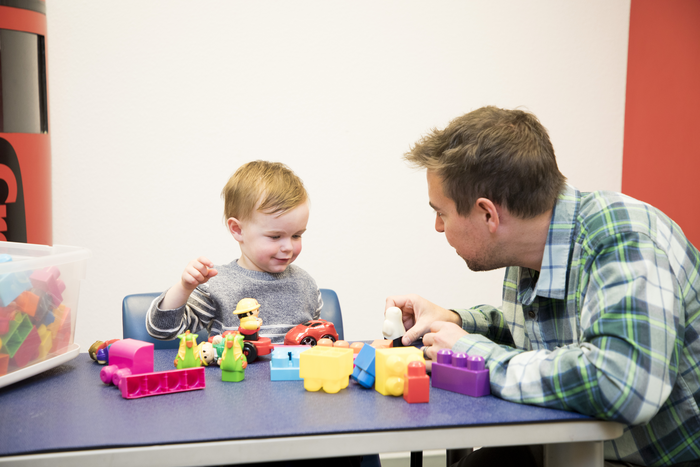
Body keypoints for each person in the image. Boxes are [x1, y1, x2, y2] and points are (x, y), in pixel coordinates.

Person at [386, 106, 700, 467]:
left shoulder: (622, 240)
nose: (439, 227)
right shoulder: (529, 243)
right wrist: (455, 321)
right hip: (572, 443)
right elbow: (541, 339)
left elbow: (622, 386)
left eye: (441, 212)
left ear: (489, 214)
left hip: (662, 457)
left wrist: (476, 354)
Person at [146, 160, 323, 344]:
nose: (288, 247)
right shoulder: (216, 285)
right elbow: (162, 330)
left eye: (296, 235)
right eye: (275, 236)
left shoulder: (306, 285)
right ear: (238, 230)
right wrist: (184, 288)